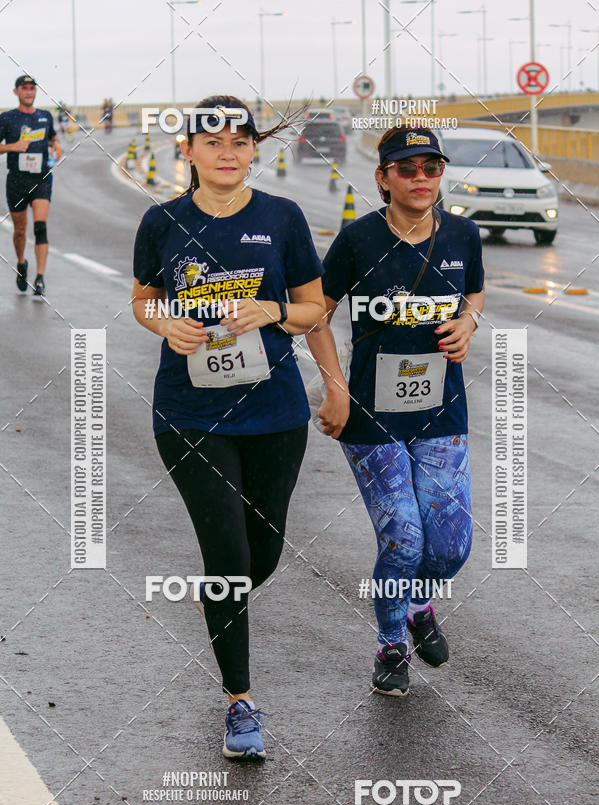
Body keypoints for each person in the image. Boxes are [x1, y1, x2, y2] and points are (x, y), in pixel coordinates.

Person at [131, 95, 326, 758]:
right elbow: (144, 297)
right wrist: (164, 322)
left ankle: (220, 599)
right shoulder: (163, 222)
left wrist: (271, 309)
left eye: (240, 141)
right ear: (188, 150)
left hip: (276, 413)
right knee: (230, 559)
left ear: (252, 150)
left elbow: (313, 309)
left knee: (262, 554)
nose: (227, 152)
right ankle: (240, 704)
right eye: (212, 142)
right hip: (189, 416)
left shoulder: (282, 218)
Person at [306, 125, 485, 697]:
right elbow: (316, 313)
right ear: (382, 177)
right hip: (370, 414)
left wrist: (469, 321)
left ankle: (415, 604)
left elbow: (475, 293)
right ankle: (389, 644)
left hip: (441, 411)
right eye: (407, 168)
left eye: (431, 167)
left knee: (451, 546)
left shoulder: (463, 235)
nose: (421, 178)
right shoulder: (357, 240)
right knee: (404, 538)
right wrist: (334, 388)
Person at [0, 75, 63, 297]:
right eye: (24, 88)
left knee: (40, 227)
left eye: (32, 88)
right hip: (17, 180)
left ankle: (40, 278)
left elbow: (52, 139)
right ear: (16, 91)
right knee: (20, 230)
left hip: (41, 178)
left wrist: (56, 146)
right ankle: (21, 263)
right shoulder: (7, 118)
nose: (29, 92)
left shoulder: (44, 116)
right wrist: (12, 146)